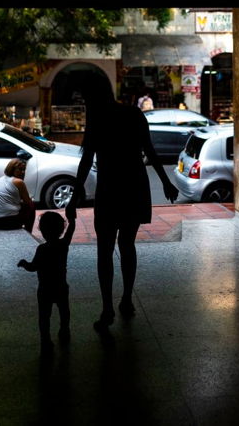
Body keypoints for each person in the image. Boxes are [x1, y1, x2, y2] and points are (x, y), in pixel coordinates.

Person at [66, 73, 178, 330]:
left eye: (86, 97)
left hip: (110, 188)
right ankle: (126, 298)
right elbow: (149, 150)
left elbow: (86, 161)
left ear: (92, 97)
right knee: (127, 244)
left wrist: (74, 197)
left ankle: (107, 308)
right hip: (134, 186)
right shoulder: (133, 115)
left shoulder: (98, 120)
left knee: (104, 250)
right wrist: (165, 181)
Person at [17, 211, 74, 354]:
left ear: (42, 230)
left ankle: (46, 339)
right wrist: (72, 218)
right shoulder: (63, 245)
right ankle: (64, 330)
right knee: (64, 311)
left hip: (45, 289)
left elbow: (33, 267)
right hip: (61, 286)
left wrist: (24, 264)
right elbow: (71, 230)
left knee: (44, 316)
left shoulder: (42, 249)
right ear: (61, 229)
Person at [0, 157, 36, 232]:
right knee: (32, 206)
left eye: (24, 170)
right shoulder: (19, 182)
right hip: (8, 222)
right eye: (20, 169)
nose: (23, 172)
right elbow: (28, 202)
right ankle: (28, 232)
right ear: (12, 169)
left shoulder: (0, 179)